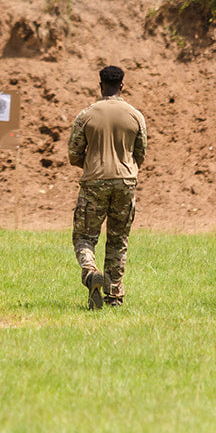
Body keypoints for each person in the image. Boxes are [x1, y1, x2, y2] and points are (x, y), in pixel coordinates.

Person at [67, 64, 147, 309]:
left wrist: (91, 164)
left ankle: (91, 273)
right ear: (122, 86)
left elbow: (73, 153)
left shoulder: (86, 115)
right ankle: (114, 297)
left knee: (84, 237)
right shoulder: (135, 115)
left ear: (100, 86)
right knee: (118, 240)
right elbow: (141, 153)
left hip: (95, 181)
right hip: (126, 182)